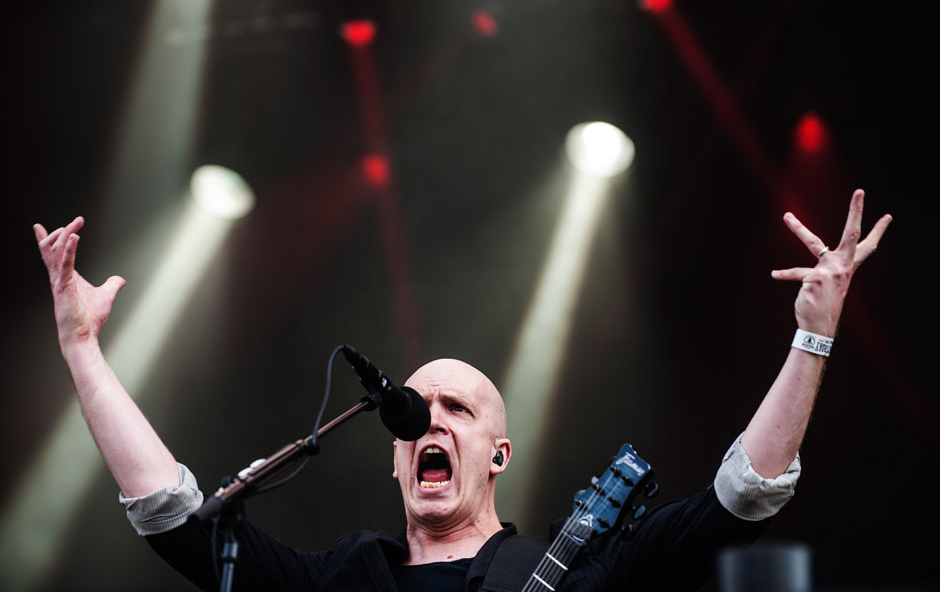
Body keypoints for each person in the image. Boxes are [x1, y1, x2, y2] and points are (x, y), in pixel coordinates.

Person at [34, 190, 891, 591]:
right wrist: (83, 351)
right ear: (397, 459)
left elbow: (746, 493)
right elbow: (169, 512)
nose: (428, 418)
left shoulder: (587, 565)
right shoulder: (344, 575)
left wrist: (812, 334)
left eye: (457, 408)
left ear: (498, 454)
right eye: (413, 409)